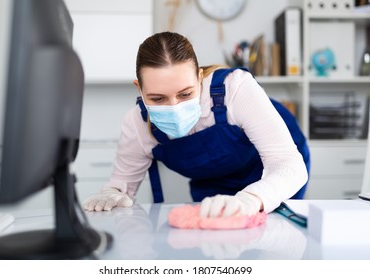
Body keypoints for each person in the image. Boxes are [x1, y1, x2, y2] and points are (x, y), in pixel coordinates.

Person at [83, 31, 310, 218]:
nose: (174, 107)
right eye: (158, 99)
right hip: (212, 182)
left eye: (185, 94)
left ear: (199, 78)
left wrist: (252, 199)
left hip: (273, 171)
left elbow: (289, 165)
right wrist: (111, 194)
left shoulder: (235, 89)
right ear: (139, 89)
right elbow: (123, 185)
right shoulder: (137, 124)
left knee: (271, 239)